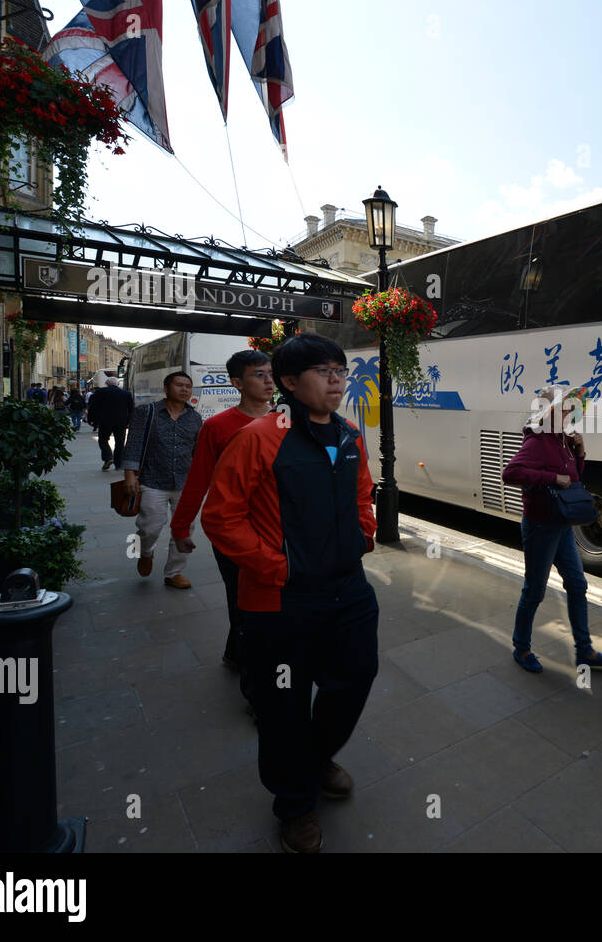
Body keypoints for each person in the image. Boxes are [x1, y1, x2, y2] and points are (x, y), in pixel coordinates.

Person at [201, 332, 379, 854]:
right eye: (324, 372)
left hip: (348, 590)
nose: (337, 380)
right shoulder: (259, 437)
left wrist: (364, 535)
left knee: (356, 677)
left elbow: (363, 492)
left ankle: (316, 757)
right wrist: (275, 565)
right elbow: (221, 515)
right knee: (282, 704)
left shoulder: (349, 434)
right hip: (280, 601)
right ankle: (295, 805)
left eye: (340, 371)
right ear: (288, 383)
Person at [169, 350, 275, 676]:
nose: (269, 380)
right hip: (234, 533)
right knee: (241, 602)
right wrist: (181, 528)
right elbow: (198, 480)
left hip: (277, 531)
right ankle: (251, 675)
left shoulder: (288, 420)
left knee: (270, 607)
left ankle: (237, 653)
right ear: (237, 383)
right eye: (259, 374)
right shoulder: (217, 426)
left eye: (271, 373)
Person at [501, 387, 602, 674]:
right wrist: (553, 477)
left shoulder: (562, 440)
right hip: (541, 526)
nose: (569, 413)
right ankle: (521, 647)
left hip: (562, 525)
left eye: (570, 409)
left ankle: (584, 650)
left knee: (578, 584)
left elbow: (574, 478)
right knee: (535, 591)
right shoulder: (538, 442)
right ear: (549, 412)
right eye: (564, 409)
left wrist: (580, 451)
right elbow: (510, 473)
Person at [122, 372, 203, 589]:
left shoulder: (195, 418)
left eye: (188, 386)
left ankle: (174, 573)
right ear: (166, 388)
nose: (185, 389)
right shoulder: (146, 412)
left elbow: (197, 452)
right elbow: (134, 444)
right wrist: (129, 474)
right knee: (149, 528)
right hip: (152, 480)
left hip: (185, 483)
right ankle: (145, 552)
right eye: (179, 385)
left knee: (183, 530)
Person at [88, 375, 135, 471]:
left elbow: (93, 407)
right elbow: (131, 409)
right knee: (120, 442)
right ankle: (118, 464)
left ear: (106, 384)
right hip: (121, 422)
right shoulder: (126, 393)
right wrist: (130, 421)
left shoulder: (100, 392)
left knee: (103, 440)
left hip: (105, 421)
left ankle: (108, 457)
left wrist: (91, 419)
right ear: (118, 384)